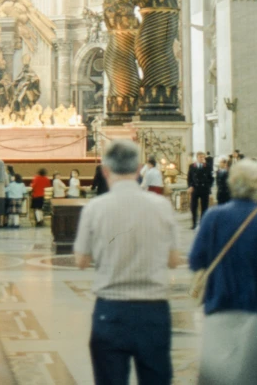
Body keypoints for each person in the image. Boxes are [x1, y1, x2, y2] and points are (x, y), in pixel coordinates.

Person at [74, 140, 179, 385]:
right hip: (153, 310)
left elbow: (80, 260)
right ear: (139, 168)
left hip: (111, 310)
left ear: (105, 170)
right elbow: (174, 261)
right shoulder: (161, 205)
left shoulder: (95, 208)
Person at [189, 160, 257, 385]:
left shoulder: (212, 218)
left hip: (219, 309)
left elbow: (196, 261)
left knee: (216, 378)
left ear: (231, 183)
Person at [187, 151, 213, 229]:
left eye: (203, 157)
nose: (202, 159)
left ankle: (203, 223)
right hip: (195, 189)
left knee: (204, 207)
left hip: (204, 189)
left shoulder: (207, 166)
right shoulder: (192, 166)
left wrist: (208, 186)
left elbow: (211, 178)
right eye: (200, 157)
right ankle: (194, 223)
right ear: (197, 158)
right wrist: (190, 186)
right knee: (193, 207)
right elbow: (189, 178)